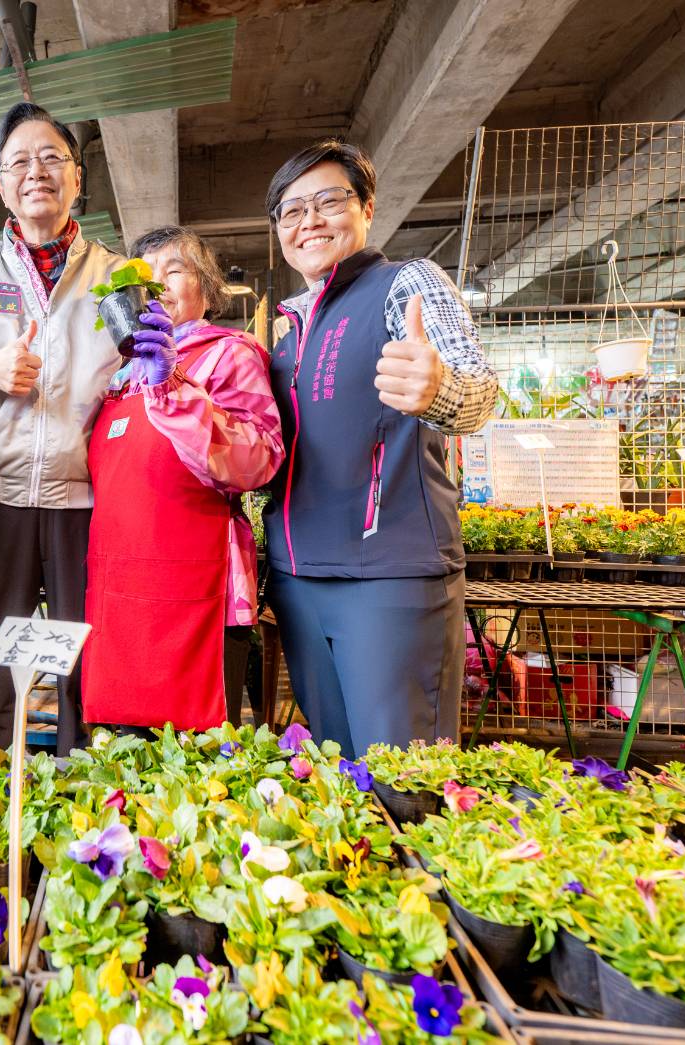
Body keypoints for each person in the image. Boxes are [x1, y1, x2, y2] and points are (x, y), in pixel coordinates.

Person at [262, 139, 498, 758]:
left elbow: (478, 391)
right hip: (298, 575)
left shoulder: (405, 285)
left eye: (328, 201)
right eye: (291, 211)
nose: (309, 220)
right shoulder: (289, 334)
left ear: (366, 208)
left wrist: (438, 388)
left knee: (402, 770)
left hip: (385, 573)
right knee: (336, 765)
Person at [0, 102, 126, 754]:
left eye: (50, 159)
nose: (35, 172)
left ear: (76, 177)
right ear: (2, 186)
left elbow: (141, 384)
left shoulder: (119, 277)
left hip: (85, 502)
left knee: (79, 664)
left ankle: (77, 809)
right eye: (18, 163)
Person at [80, 226, 283, 731]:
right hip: (119, 596)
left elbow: (258, 460)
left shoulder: (231, 354)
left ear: (207, 289)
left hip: (196, 596)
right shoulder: (116, 375)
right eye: (146, 276)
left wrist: (171, 384)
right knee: (118, 758)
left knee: (195, 768)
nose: (160, 285)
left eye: (175, 270)